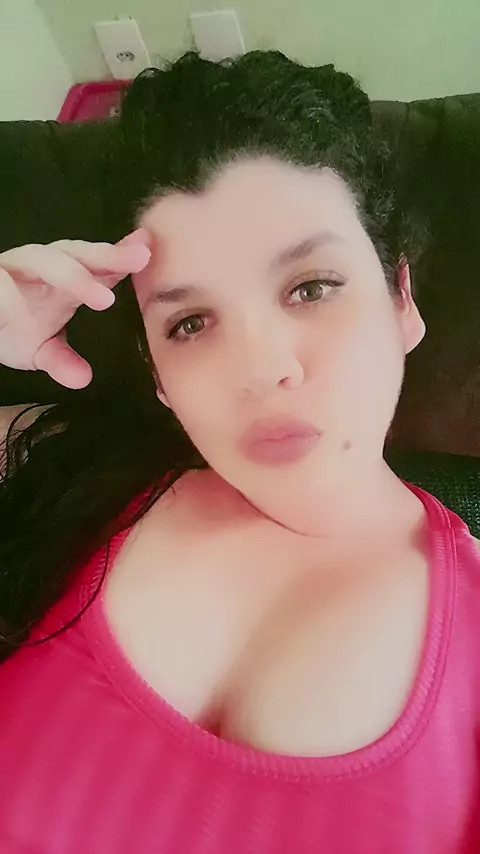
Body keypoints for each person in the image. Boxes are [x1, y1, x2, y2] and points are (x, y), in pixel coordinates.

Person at [0, 51, 479, 853]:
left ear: (402, 302)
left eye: (311, 287)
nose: (260, 370)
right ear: (156, 374)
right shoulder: (68, 471)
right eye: (189, 323)